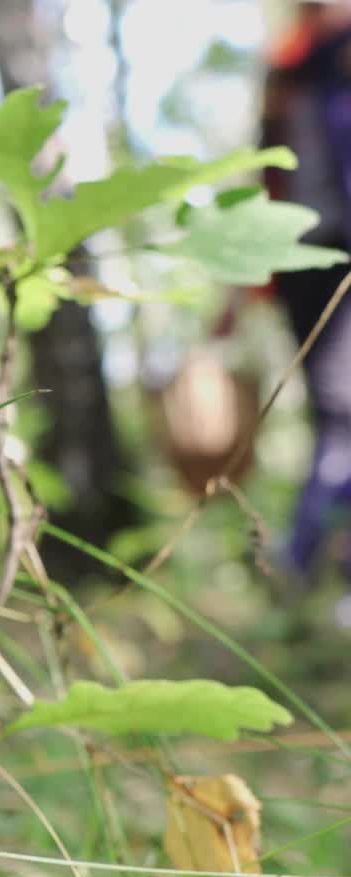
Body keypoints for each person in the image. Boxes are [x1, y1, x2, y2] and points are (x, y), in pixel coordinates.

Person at [260, 0, 351, 619]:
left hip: (308, 259)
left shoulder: (291, 64)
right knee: (340, 415)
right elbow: (269, 172)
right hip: (318, 262)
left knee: (338, 416)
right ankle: (301, 562)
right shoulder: (292, 65)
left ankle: (304, 561)